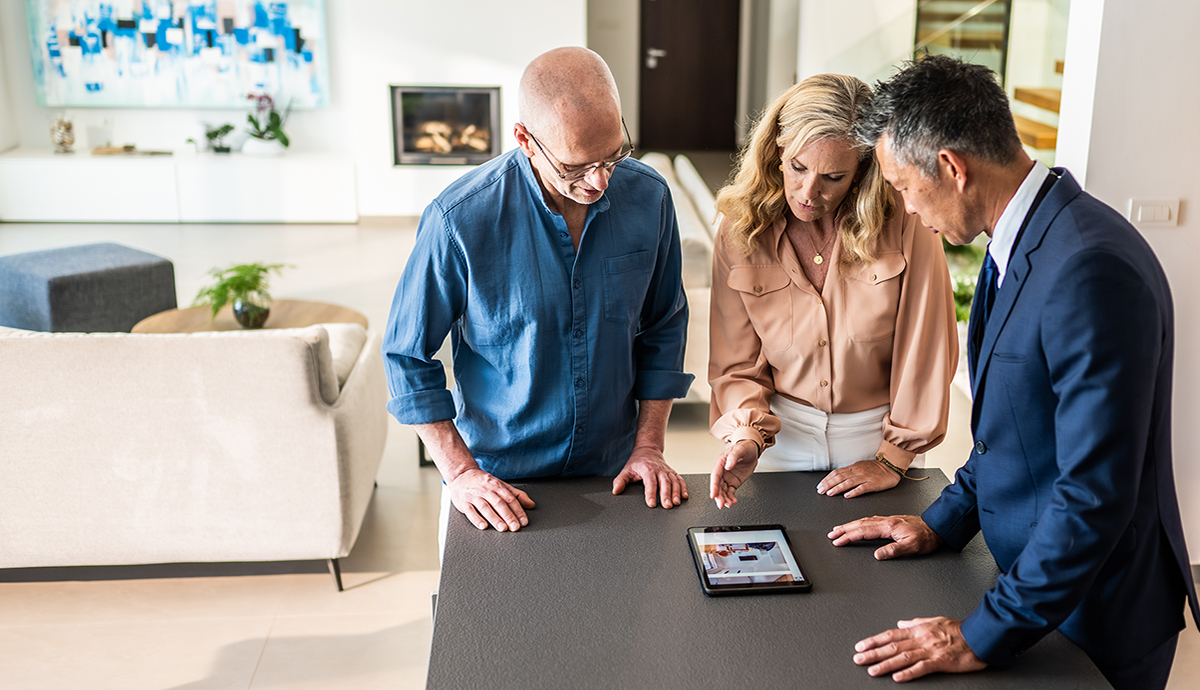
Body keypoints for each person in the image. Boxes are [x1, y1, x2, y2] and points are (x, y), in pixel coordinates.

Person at [829, 55, 1199, 689]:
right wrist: (938, 523)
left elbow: (1094, 493)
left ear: (951, 167)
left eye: (901, 185)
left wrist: (979, 634)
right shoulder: (1022, 241)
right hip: (1035, 590)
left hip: (1094, 616)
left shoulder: (1087, 268)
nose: (905, 207)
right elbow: (1016, 431)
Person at [382, 47, 694, 547]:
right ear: (525, 139)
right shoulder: (459, 219)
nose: (599, 181)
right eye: (576, 166)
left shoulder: (650, 197)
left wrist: (650, 446)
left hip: (615, 472)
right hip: (501, 483)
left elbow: (664, 324)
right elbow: (405, 354)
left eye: (613, 156)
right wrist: (460, 472)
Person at [708, 73, 957, 508]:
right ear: (778, 149)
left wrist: (894, 458)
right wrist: (746, 433)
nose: (809, 193)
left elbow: (927, 347)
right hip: (777, 440)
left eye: (834, 177)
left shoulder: (907, 220)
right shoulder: (739, 230)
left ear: (862, 170)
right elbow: (735, 364)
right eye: (798, 168)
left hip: (878, 439)